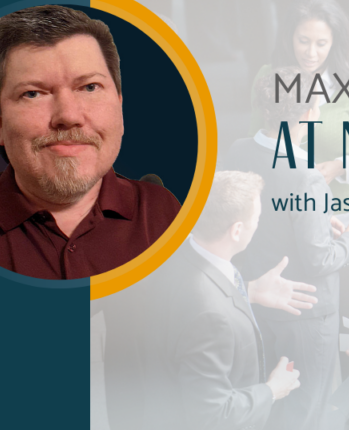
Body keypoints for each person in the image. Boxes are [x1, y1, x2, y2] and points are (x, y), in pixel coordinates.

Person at [0, 5, 181, 279]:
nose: (68, 116)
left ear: (120, 107)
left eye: (90, 87)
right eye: (33, 93)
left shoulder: (165, 214)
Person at [106, 170, 315, 430]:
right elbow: (213, 415)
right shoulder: (211, 318)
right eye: (257, 218)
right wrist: (272, 390)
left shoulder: (165, 255)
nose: (258, 224)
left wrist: (249, 291)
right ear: (237, 230)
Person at [222, 67, 349, 430]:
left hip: (258, 304)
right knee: (305, 414)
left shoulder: (239, 151)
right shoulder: (306, 176)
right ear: (306, 114)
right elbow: (320, 259)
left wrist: (318, 221)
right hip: (306, 314)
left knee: (267, 408)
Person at [250, 0, 349, 337]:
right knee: (302, 317)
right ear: (289, 38)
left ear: (335, 42)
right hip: (290, 215)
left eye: (321, 43)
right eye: (303, 41)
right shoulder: (268, 76)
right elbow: (257, 140)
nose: (310, 52)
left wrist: (341, 166)